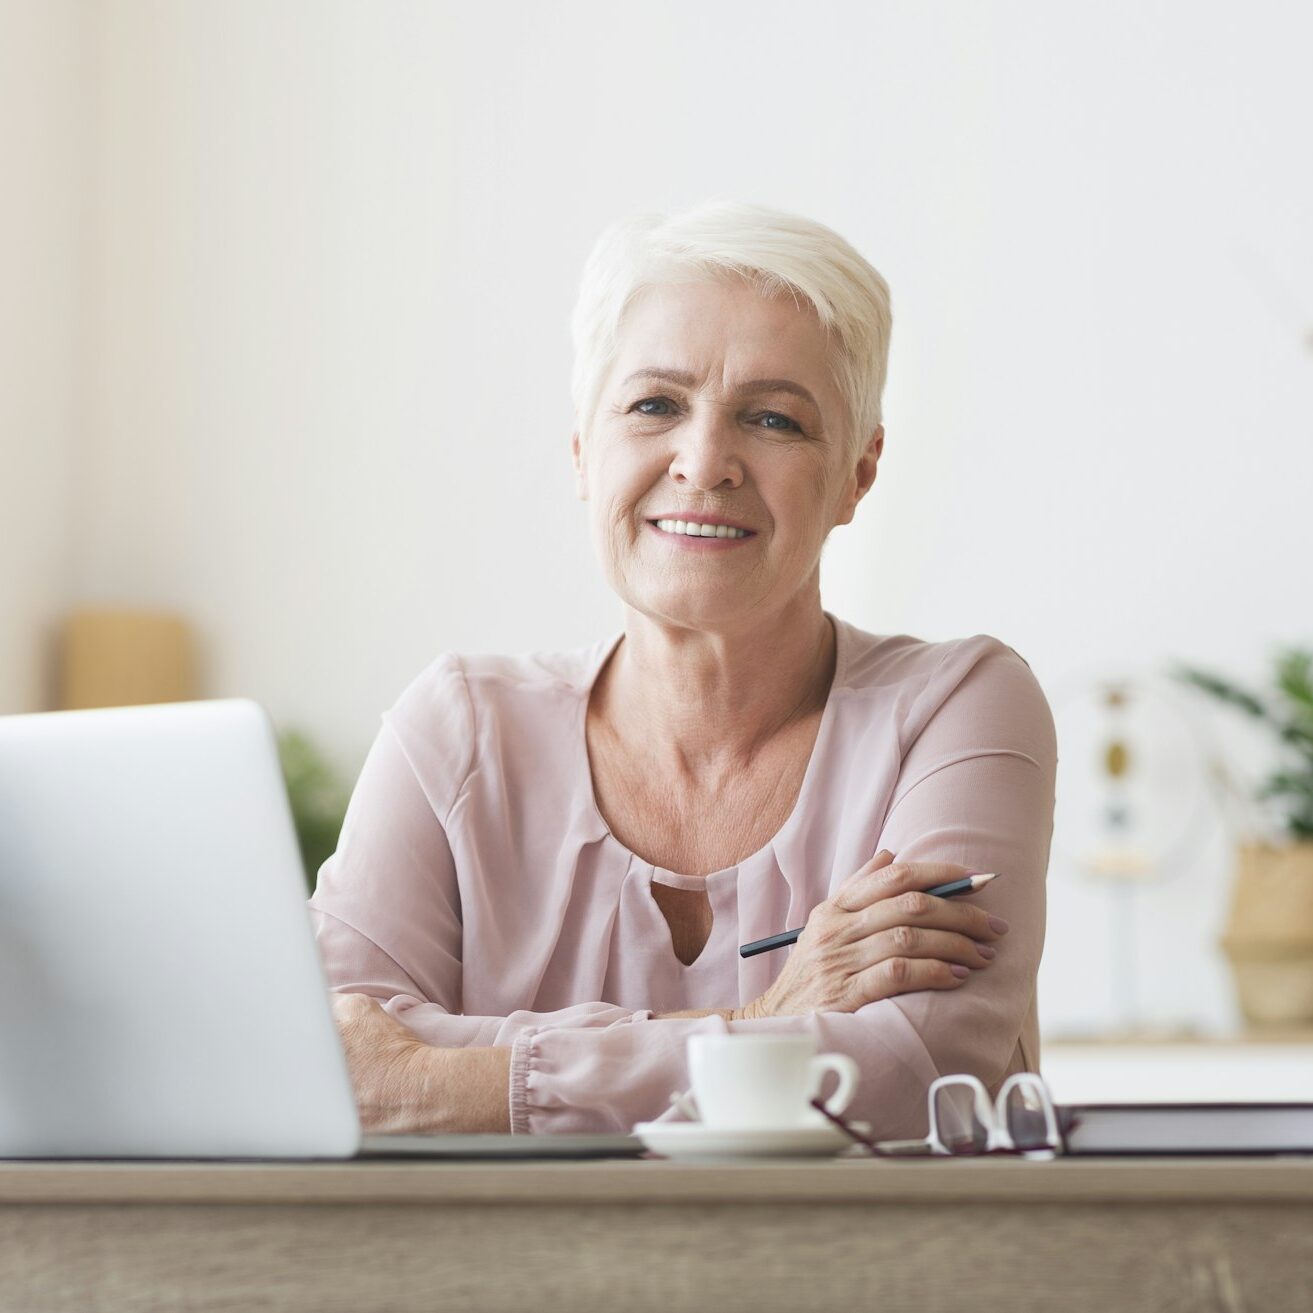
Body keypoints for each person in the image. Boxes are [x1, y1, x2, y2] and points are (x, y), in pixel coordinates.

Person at [308, 201, 1057, 1137]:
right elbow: (331, 1065)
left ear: (857, 475)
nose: (704, 463)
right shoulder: (456, 728)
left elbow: (913, 1073)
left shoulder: (957, 708)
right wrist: (757, 1024)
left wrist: (461, 1077)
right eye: (654, 404)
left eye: (774, 418)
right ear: (584, 450)